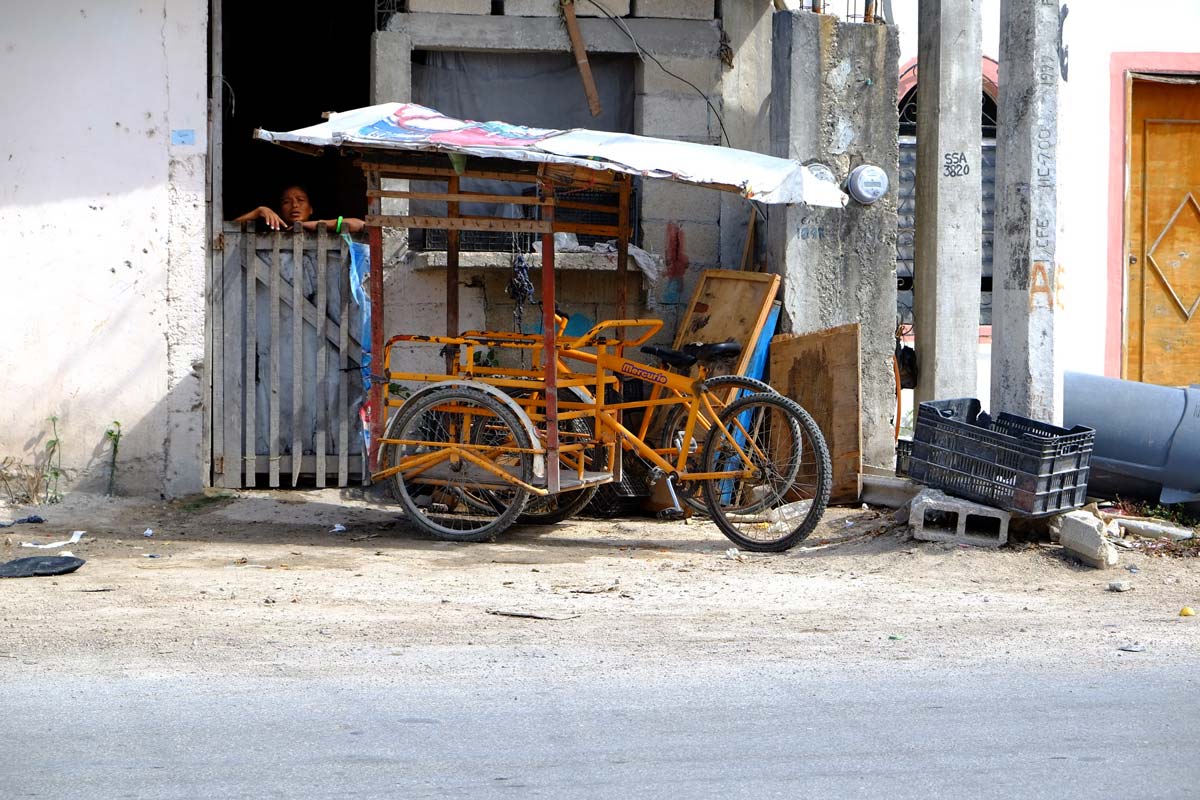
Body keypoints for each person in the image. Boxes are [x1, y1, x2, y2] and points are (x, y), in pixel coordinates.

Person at [233, 184, 365, 234]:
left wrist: (310, 224)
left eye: (300, 200)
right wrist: (258, 212)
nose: (294, 205)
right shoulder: (268, 232)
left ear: (311, 208)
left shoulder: (321, 231)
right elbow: (227, 232)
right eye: (286, 202)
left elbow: (360, 225)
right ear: (278, 211)